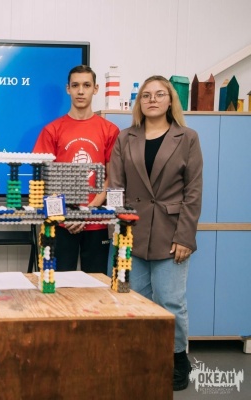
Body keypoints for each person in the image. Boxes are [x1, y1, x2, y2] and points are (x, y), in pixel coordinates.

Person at [108, 75, 203, 391]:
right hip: (132, 232)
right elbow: (116, 187)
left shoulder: (187, 138)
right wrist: (118, 228)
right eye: (146, 95)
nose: (152, 99)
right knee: (133, 302)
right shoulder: (125, 138)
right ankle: (140, 358)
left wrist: (185, 236)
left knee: (171, 302)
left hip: (171, 233)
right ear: (140, 102)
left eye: (160, 94)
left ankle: (178, 360)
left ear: (170, 100)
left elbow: (193, 192)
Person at [33, 65, 119, 273]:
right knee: (60, 284)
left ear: (95, 89)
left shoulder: (110, 130)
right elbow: (45, 179)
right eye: (76, 85)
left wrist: (87, 212)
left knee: (96, 284)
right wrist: (68, 213)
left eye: (86, 85)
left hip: (97, 222)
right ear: (68, 89)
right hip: (62, 223)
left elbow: (112, 176)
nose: (81, 91)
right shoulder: (52, 130)